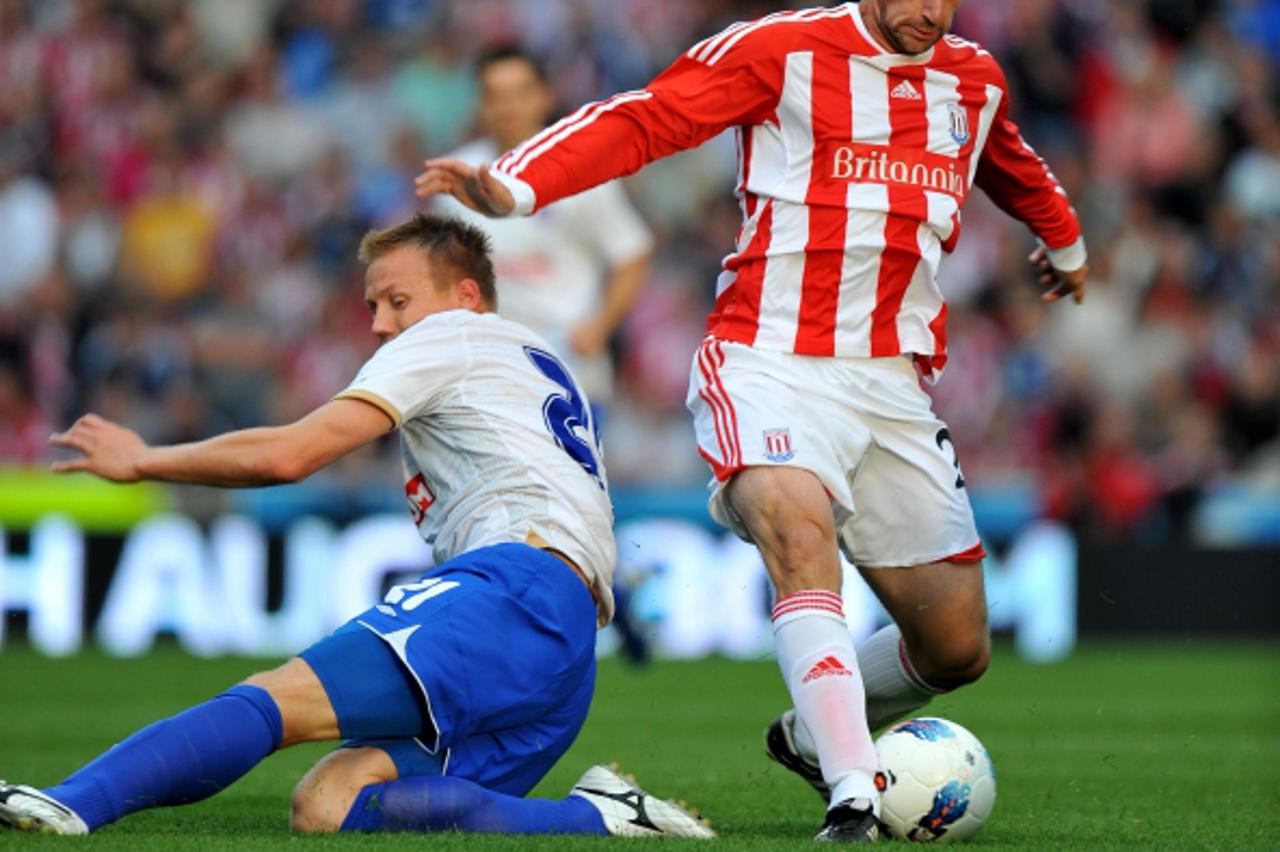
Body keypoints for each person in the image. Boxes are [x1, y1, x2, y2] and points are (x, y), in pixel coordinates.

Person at [415, 0, 1088, 843]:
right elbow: (648, 116)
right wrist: (518, 183)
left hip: (894, 383)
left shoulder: (971, 78)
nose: (930, 10)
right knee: (800, 540)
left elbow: (1007, 157)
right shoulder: (782, 50)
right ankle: (853, 794)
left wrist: (1065, 242)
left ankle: (811, 735)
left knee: (955, 648)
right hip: (767, 358)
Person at [0, 213, 713, 840]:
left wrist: (145, 459)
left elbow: (289, 455)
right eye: (373, 305)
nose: (380, 323)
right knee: (330, 802)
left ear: (465, 296)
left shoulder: (451, 336)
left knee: (279, 699)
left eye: (398, 300)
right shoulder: (533, 360)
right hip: (564, 650)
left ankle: (73, 803)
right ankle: (598, 817)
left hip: (514, 593)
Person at [433, 45, 657, 664]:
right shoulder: (459, 181)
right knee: (498, 502)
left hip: (566, 372)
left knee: (572, 505)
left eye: (518, 92)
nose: (507, 106)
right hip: (486, 370)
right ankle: (529, 624)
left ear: (541, 97)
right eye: (495, 95)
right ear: (481, 103)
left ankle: (606, 599)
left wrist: (599, 324)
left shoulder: (578, 169)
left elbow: (633, 253)